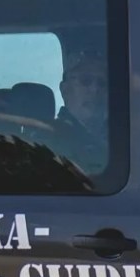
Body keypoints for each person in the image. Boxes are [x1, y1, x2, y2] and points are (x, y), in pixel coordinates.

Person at [45, 45, 112, 178]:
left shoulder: (125, 137)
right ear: (65, 90)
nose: (94, 89)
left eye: (102, 83)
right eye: (86, 81)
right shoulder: (49, 139)